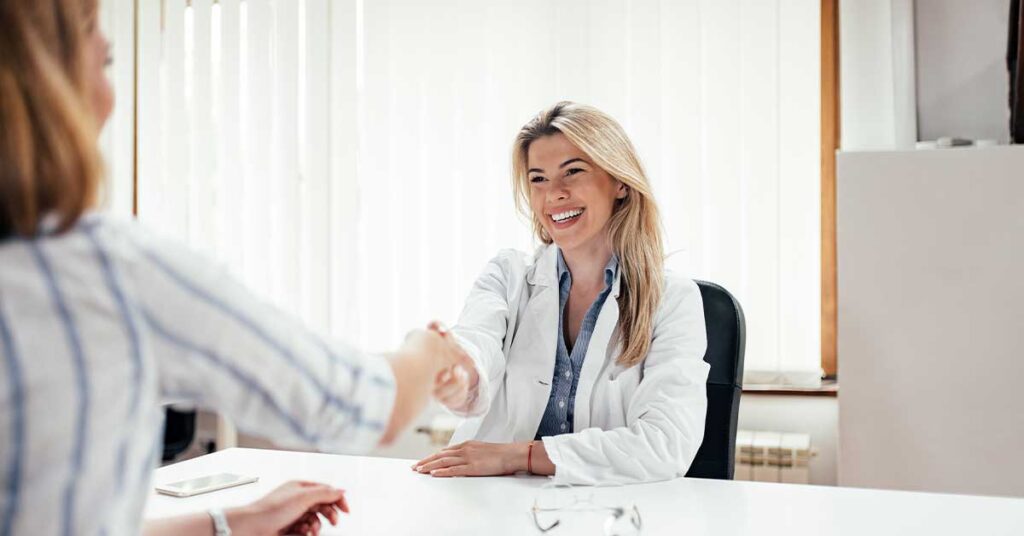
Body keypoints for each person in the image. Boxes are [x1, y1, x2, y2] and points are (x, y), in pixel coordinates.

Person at [0, 1, 467, 534]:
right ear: (49, 90)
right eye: (104, 62)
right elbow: (359, 405)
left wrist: (234, 522)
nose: (109, 96)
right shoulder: (107, 272)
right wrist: (427, 351)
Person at [414, 102, 709, 485]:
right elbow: (477, 341)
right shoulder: (508, 276)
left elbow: (665, 444)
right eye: (538, 179)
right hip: (500, 506)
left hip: (612, 511)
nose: (554, 194)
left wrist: (521, 456)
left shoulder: (674, 300)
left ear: (620, 181)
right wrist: (460, 373)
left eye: (573, 172)